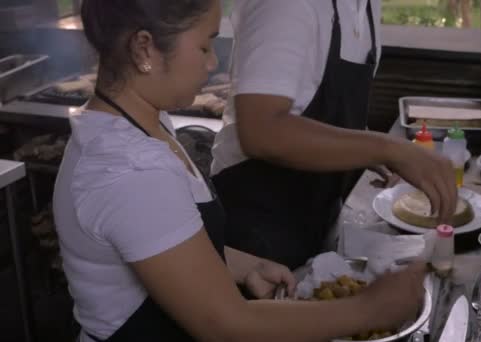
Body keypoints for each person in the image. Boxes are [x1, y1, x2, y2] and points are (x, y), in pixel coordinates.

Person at [53, 1, 427, 341]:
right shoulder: (127, 168)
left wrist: (244, 265)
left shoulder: (141, 125)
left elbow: (163, 246)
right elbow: (225, 324)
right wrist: (369, 310)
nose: (213, 62)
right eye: (204, 46)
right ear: (144, 48)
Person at [211, 0, 458, 270]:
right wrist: (386, 148)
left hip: (317, 216)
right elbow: (261, 130)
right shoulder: (286, 6)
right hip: (254, 232)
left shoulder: (364, 6)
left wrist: (362, 146)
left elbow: (314, 103)